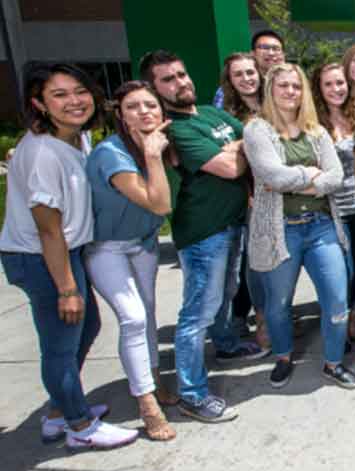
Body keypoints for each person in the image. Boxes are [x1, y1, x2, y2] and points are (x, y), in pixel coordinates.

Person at [0, 63, 138, 449]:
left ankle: (60, 411)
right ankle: (79, 427)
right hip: (41, 256)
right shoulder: (43, 152)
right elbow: (48, 228)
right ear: (38, 104)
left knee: (87, 327)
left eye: (79, 91)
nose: (74, 101)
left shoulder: (74, 139)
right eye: (59, 95)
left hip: (65, 251)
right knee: (60, 342)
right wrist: (66, 288)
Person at [141, 50, 259, 423]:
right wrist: (239, 151)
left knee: (225, 293)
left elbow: (257, 137)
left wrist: (242, 146)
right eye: (168, 79)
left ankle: (224, 345)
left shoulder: (210, 113)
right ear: (155, 89)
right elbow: (228, 167)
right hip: (203, 232)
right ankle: (192, 393)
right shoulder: (175, 129)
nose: (180, 82)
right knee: (197, 313)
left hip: (232, 223)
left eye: (181, 73)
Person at [243, 63, 355, 389]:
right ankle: (282, 356)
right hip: (281, 229)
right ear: (271, 90)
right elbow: (271, 175)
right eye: (283, 86)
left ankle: (333, 363)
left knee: (337, 301)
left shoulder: (316, 131)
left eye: (296, 86)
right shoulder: (257, 130)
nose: (291, 92)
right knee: (278, 304)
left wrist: (295, 181)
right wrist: (310, 174)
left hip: (322, 227)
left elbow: (336, 178)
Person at [84, 80, 177, 441]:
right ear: (120, 116)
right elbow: (160, 204)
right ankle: (146, 404)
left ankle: (153, 378)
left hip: (144, 243)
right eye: (134, 107)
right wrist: (153, 156)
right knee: (133, 317)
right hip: (107, 247)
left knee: (148, 312)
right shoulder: (113, 153)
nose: (144, 112)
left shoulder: (160, 143)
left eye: (150, 105)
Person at [312, 62, 355, 344]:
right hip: (332, 210)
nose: (336, 89)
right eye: (329, 84)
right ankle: (344, 323)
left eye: (340, 83)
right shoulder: (313, 124)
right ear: (319, 89)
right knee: (343, 270)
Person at [219, 52, 270, 352]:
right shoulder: (227, 116)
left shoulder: (273, 105)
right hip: (250, 197)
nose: (247, 79)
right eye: (239, 74)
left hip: (280, 193)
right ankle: (260, 318)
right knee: (255, 264)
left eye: (250, 72)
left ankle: (275, 315)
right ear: (230, 80)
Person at [214, 30, 285, 108]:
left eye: (276, 48)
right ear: (252, 53)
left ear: (283, 55)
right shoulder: (229, 89)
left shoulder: (290, 84)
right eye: (264, 47)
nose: (271, 53)